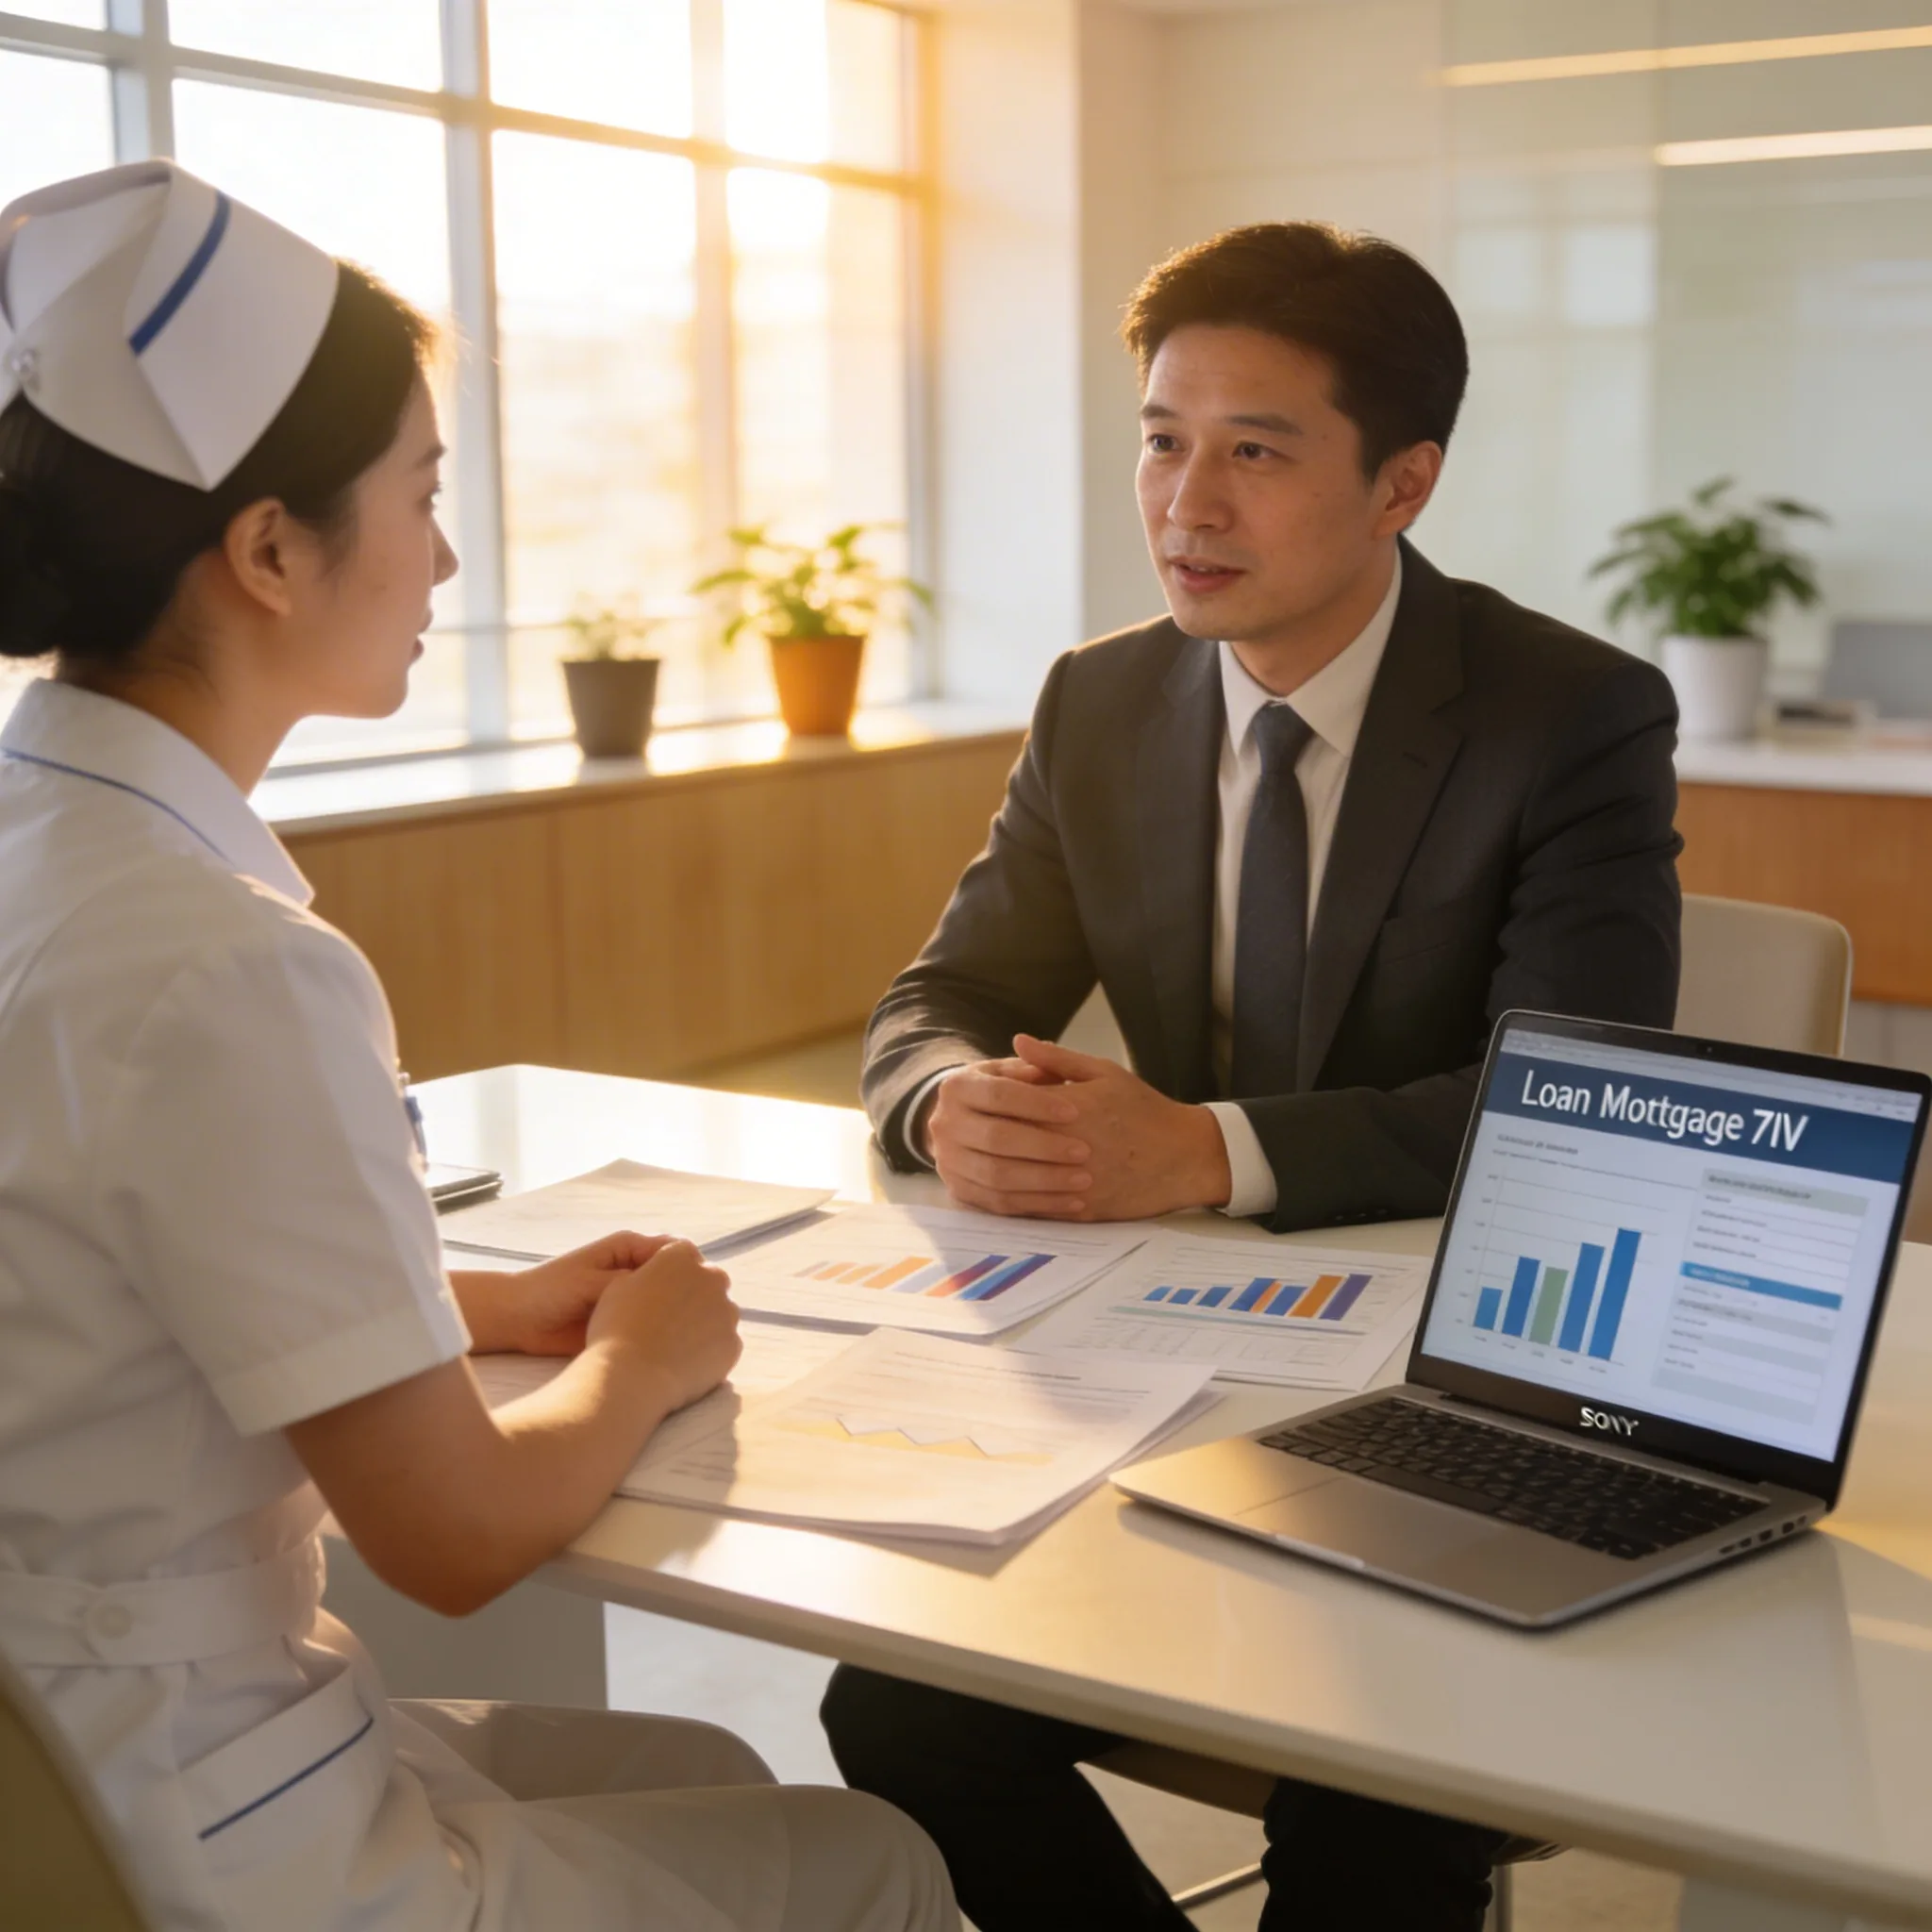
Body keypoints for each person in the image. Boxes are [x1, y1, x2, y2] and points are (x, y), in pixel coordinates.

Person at [0, 160, 956, 1932]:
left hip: (70, 1724)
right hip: (165, 1809)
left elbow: (95, 1300)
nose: (444, 558)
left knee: (723, 1777)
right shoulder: (226, 969)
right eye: (423, 498)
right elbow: (451, 1539)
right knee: (874, 1860)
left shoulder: (46, 841)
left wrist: (450, 1308)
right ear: (271, 549)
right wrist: (644, 1360)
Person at [824, 224, 1683, 1930]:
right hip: (1158, 1377)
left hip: (1447, 1406)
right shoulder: (1100, 702)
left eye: (1256, 451)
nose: (1185, 504)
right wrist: (945, 1101)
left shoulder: (1569, 715)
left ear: (1403, 483)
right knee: (892, 1704)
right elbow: (939, 998)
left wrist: (1202, 1156)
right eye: (1162, 438)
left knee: (1375, 1807)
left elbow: (1575, 1103)